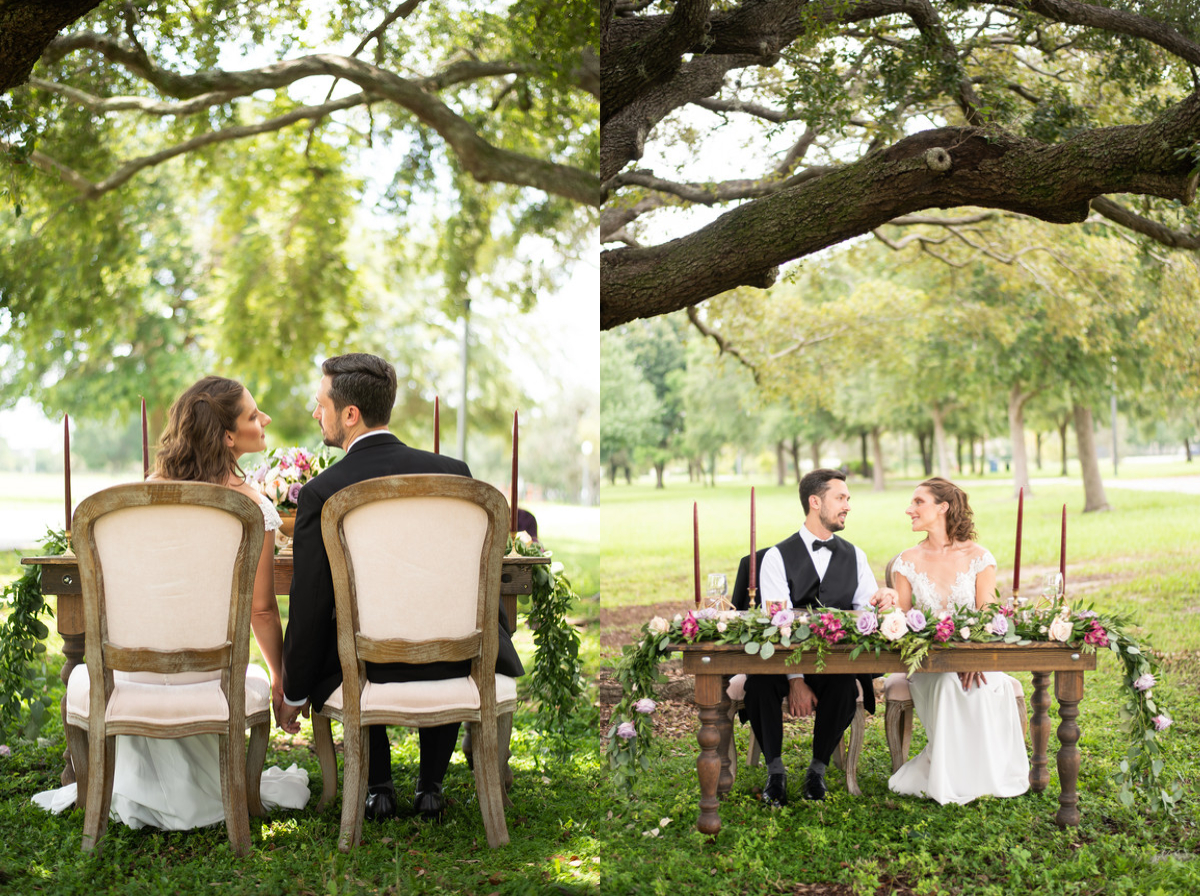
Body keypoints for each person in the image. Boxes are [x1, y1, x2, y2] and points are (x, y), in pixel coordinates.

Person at [32, 375, 310, 827]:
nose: (265, 420)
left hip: (134, 673)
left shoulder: (137, 502)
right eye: (253, 415)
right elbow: (261, 610)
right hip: (209, 678)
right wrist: (281, 680)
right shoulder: (252, 508)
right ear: (226, 436)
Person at [277, 353, 524, 822]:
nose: (316, 414)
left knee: (339, 638)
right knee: (448, 625)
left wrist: (294, 691)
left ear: (350, 414)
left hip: (365, 670)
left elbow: (309, 607)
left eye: (321, 404)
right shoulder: (455, 475)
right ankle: (431, 787)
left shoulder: (321, 492)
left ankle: (378, 788)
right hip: (455, 661)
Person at [742, 468, 885, 806]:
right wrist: (795, 679)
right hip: (782, 663)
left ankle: (817, 771)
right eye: (841, 498)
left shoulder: (856, 556)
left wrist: (881, 606)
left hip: (834, 664)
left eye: (848, 498)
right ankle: (775, 772)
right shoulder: (775, 557)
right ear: (815, 501)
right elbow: (778, 624)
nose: (848, 505)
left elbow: (867, 615)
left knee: (844, 685)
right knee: (759, 685)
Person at [883, 477, 1030, 804]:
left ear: (943, 507)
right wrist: (888, 605)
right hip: (929, 664)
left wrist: (972, 659)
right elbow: (903, 622)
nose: (910, 509)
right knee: (951, 684)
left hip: (977, 656)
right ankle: (952, 779)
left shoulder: (980, 557)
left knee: (976, 684)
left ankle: (980, 776)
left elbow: (989, 617)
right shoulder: (906, 561)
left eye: (918, 502)